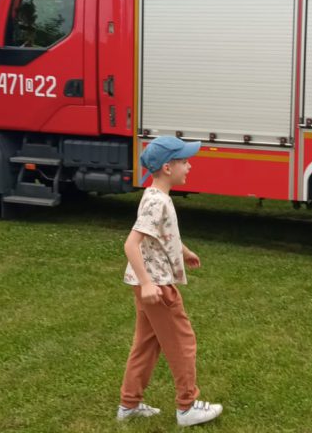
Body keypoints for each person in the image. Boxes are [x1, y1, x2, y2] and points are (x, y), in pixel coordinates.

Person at [116, 136, 223, 427]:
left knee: (147, 344)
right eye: (184, 161)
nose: (189, 166)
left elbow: (162, 236)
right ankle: (187, 407)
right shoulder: (156, 202)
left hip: (151, 284)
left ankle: (129, 404)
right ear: (167, 167)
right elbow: (131, 244)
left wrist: (184, 251)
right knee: (182, 342)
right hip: (157, 287)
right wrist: (148, 284)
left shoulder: (157, 197)